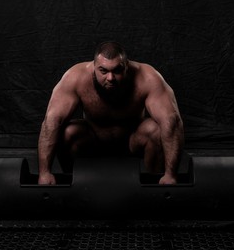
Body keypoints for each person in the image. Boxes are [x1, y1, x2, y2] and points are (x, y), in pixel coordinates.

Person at [38, 41, 184, 185]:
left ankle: (154, 184)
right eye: (103, 71)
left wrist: (171, 175)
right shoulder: (75, 77)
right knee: (67, 132)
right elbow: (51, 121)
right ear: (94, 67)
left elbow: (172, 121)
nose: (110, 78)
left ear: (127, 66)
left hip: (132, 141)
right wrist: (44, 173)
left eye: (117, 70)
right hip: (93, 141)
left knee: (155, 130)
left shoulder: (148, 77)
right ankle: (72, 183)